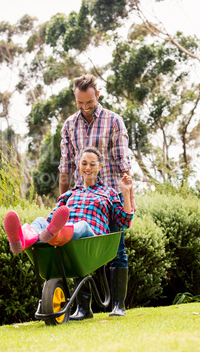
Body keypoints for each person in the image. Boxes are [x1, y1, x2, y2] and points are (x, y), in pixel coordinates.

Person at [58, 74, 137, 319]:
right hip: (82, 198)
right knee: (79, 248)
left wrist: (128, 199)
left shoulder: (114, 121)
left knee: (117, 248)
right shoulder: (70, 125)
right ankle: (83, 308)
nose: (84, 107)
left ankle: (118, 305)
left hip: (110, 197)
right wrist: (63, 203)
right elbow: (65, 167)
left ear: (97, 96)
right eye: (80, 103)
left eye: (89, 102)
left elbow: (123, 162)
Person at [4, 147, 134, 259]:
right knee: (40, 221)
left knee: (82, 225)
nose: (88, 167)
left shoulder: (109, 193)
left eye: (92, 164)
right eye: (84, 163)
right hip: (66, 240)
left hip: (91, 241)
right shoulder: (70, 194)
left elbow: (125, 222)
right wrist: (46, 227)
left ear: (100, 167)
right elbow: (51, 219)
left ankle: (57, 235)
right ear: (79, 165)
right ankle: (21, 241)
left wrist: (126, 192)